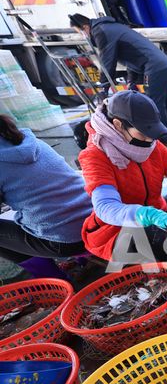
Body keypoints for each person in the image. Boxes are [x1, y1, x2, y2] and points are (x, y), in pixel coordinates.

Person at [79, 90, 167, 263]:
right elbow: (105, 207)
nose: (149, 139)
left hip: (158, 214)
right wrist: (149, 215)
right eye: (142, 133)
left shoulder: (151, 145)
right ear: (118, 124)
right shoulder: (95, 155)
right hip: (116, 231)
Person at [0, 115, 93, 278]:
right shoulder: (29, 140)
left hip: (67, 240)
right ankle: (81, 261)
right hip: (96, 221)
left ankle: (54, 278)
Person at [69, 13, 167, 143]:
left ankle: (164, 136)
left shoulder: (100, 31)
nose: (83, 36)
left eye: (80, 32)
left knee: (154, 103)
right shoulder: (110, 27)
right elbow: (131, 56)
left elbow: (107, 60)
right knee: (164, 100)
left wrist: (103, 87)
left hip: (154, 66)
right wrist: (131, 81)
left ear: (85, 27)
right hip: (163, 64)